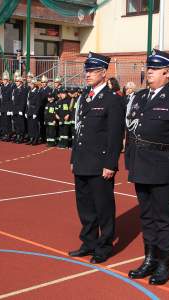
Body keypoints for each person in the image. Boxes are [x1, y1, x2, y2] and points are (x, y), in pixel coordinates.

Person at [125, 49, 169, 285]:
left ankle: (164, 263)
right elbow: (132, 132)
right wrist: (130, 164)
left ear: (167, 73)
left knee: (163, 218)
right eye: (148, 68)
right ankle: (149, 259)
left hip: (164, 169)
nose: (149, 73)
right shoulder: (141, 97)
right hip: (141, 167)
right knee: (146, 217)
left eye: (154, 70)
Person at [69, 52, 124, 265]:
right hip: (82, 160)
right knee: (85, 206)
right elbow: (79, 130)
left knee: (103, 207)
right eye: (87, 70)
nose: (87, 74)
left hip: (100, 164)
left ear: (103, 73)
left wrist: (111, 163)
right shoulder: (85, 97)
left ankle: (104, 246)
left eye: (92, 71)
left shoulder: (112, 100)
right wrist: (74, 157)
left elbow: (115, 135)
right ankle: (89, 241)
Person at [25, 78, 42, 145]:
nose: (30, 85)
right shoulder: (29, 92)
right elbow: (27, 103)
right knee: (30, 126)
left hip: (34, 110)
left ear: (34, 85)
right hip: (29, 110)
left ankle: (36, 138)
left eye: (31, 84)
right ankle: (31, 138)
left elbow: (38, 104)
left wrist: (35, 113)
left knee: (34, 125)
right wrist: (26, 111)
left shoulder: (38, 92)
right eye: (30, 84)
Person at [12, 75, 27, 144]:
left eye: (18, 81)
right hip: (15, 109)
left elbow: (23, 101)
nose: (16, 82)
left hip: (20, 109)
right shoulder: (15, 90)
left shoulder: (23, 89)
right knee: (16, 123)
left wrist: (21, 110)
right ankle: (18, 135)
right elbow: (13, 101)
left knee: (21, 124)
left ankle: (21, 136)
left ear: (21, 82)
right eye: (16, 81)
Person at [0, 71, 14, 142]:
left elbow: (11, 99)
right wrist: (0, 108)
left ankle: (8, 134)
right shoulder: (2, 87)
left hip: (8, 107)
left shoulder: (10, 87)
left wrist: (10, 109)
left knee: (7, 122)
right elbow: (1, 98)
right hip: (2, 107)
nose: (4, 81)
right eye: (3, 79)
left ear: (8, 80)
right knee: (3, 122)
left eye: (5, 80)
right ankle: (5, 134)